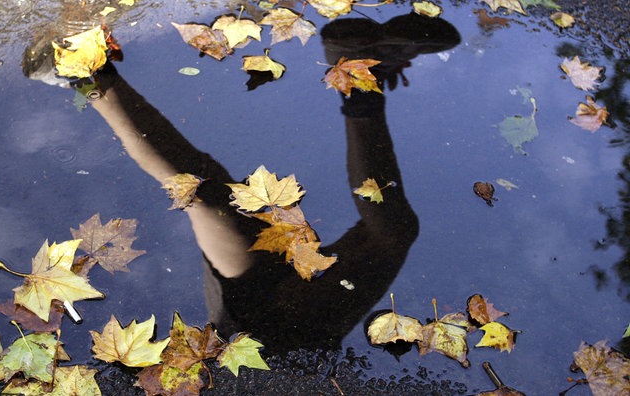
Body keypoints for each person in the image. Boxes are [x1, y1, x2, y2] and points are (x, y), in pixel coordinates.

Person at [31, 10, 460, 355]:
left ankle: (83, 71)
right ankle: (359, 76)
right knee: (207, 193)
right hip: (285, 336)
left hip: (269, 338)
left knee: (204, 191)